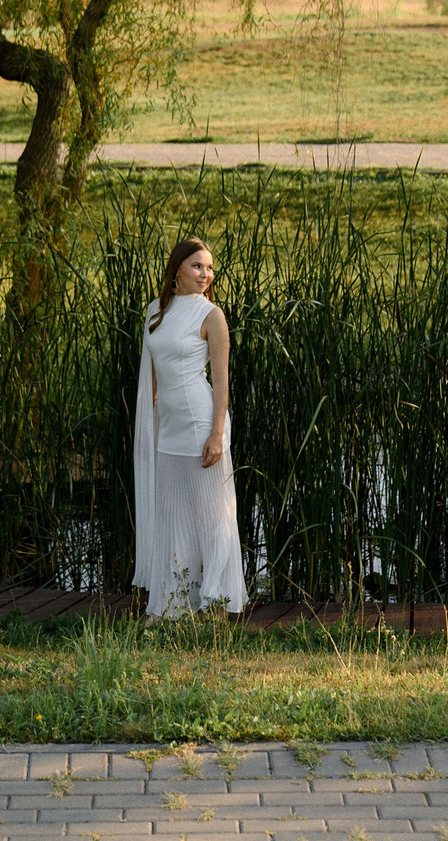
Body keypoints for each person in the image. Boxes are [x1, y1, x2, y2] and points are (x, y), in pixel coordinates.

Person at [132, 236, 247, 617]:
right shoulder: (154, 312)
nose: (205, 274)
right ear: (176, 269)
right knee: (172, 515)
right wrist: (149, 419)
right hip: (168, 427)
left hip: (201, 423)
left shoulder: (211, 316)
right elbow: (152, 371)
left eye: (210, 267)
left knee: (214, 515)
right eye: (197, 265)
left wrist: (217, 433)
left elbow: (221, 381)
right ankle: (173, 605)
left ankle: (215, 600)